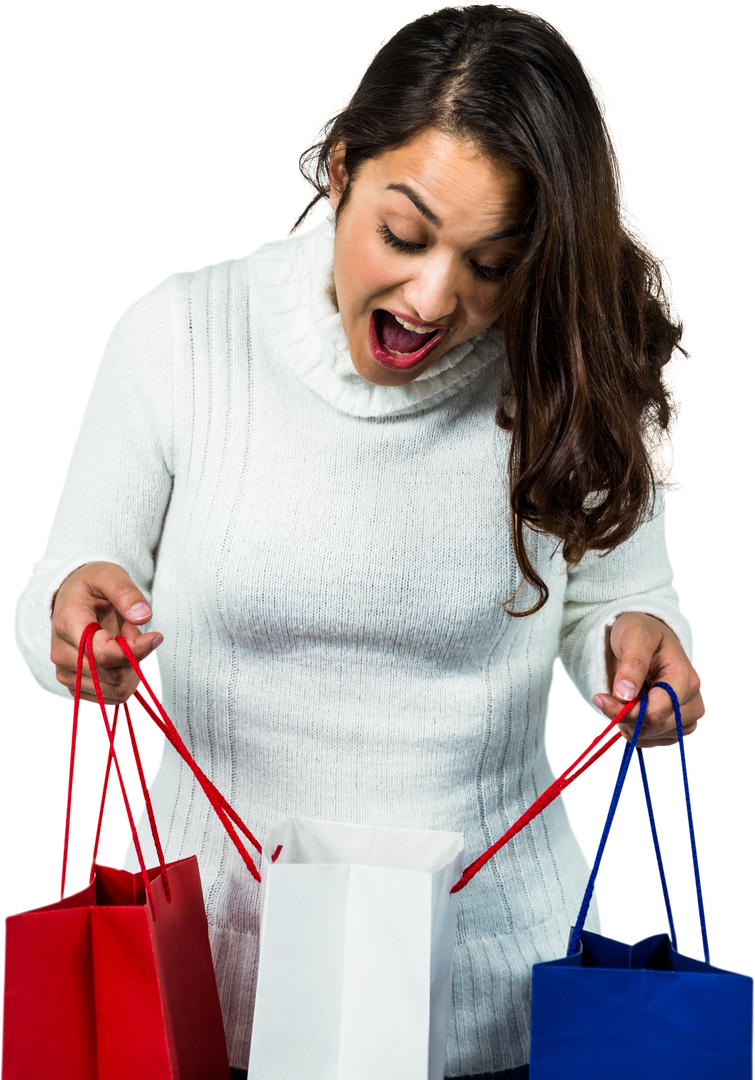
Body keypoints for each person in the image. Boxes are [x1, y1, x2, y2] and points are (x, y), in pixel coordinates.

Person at [10, 3, 706, 1078]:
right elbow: (63, 581)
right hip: (196, 985)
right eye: (403, 233)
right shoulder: (182, 333)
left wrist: (642, 646)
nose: (433, 298)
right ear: (340, 170)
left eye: (490, 262)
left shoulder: (561, 368)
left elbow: (620, 599)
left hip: (489, 999)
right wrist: (74, 624)